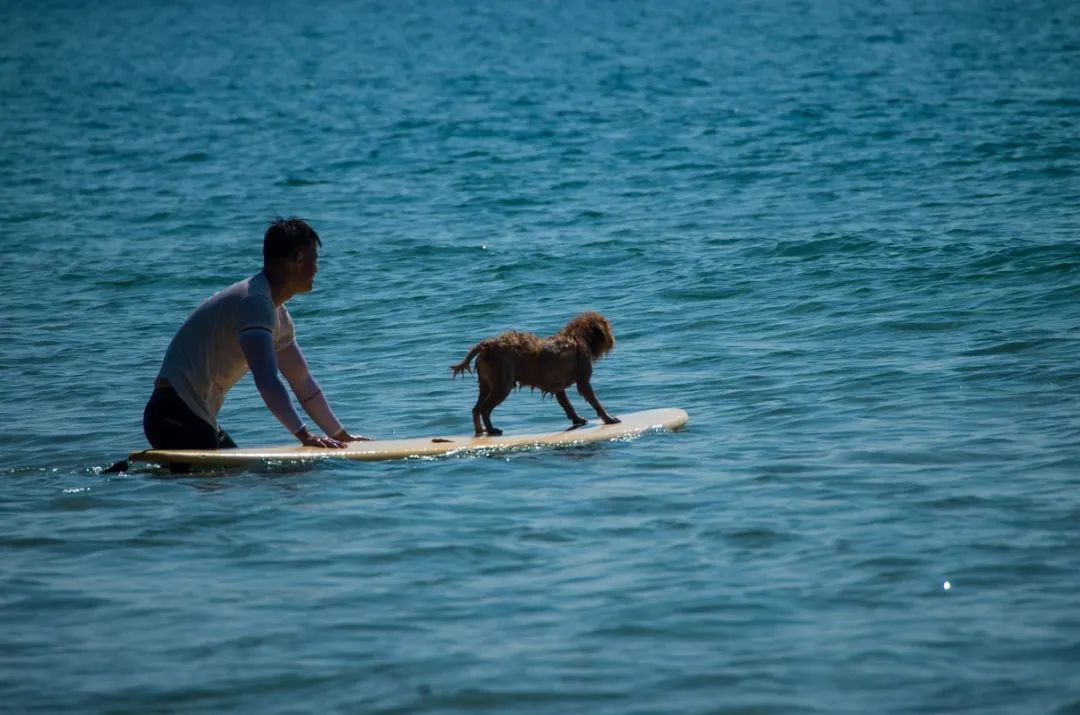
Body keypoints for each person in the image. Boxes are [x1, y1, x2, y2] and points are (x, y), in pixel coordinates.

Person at [142, 216, 370, 454]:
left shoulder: (276, 315)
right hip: (173, 413)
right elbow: (267, 380)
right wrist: (304, 435)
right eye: (314, 259)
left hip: (194, 415)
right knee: (227, 471)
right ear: (299, 259)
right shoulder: (254, 304)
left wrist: (340, 436)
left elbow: (302, 381)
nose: (316, 268)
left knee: (238, 470)